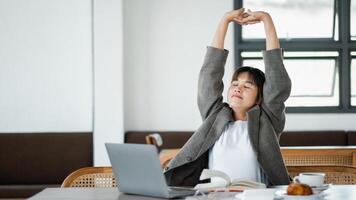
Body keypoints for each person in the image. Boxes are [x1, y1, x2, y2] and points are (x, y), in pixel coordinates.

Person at [164, 8, 292, 186]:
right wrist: (225, 21)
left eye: (247, 85)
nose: (238, 89)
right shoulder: (215, 116)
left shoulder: (268, 119)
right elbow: (209, 76)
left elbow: (277, 80)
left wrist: (266, 19)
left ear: (260, 98)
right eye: (235, 84)